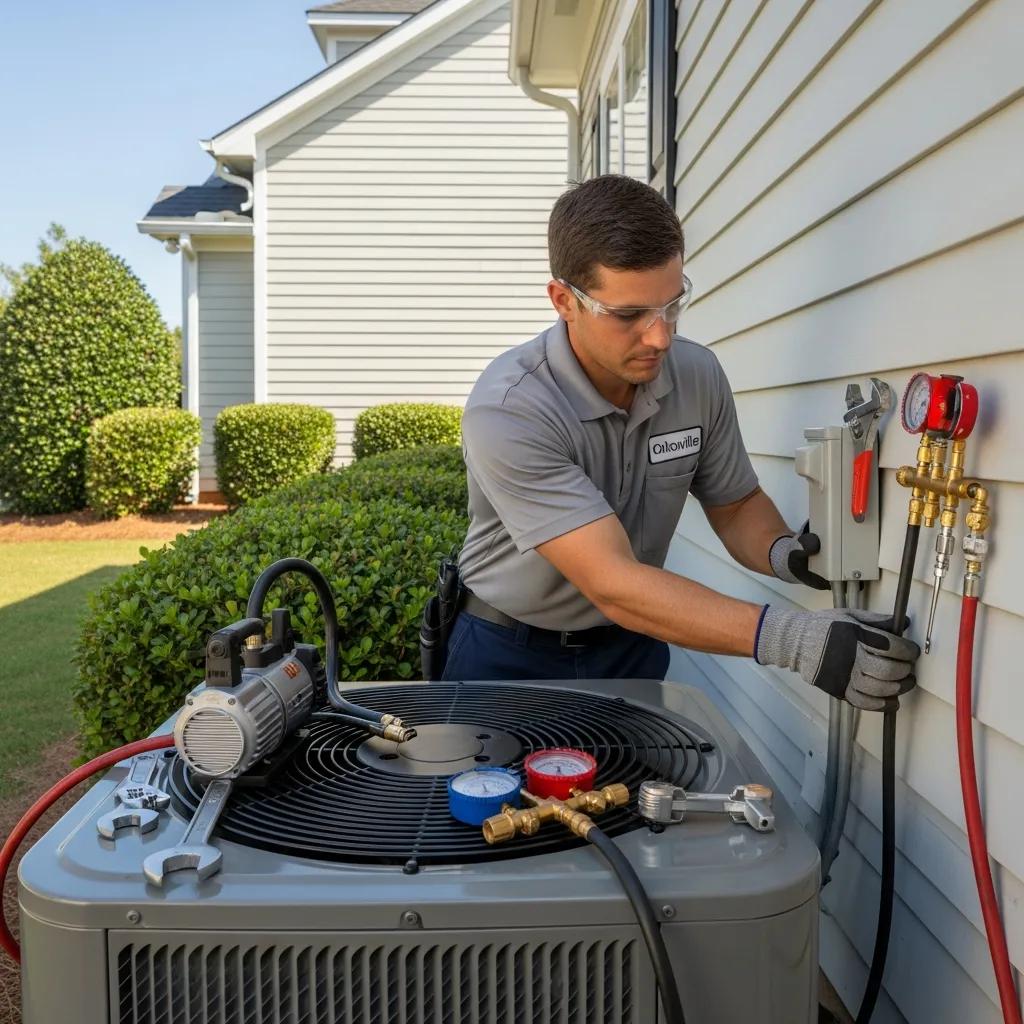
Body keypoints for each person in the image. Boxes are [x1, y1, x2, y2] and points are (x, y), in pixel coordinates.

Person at [441, 175, 918, 712]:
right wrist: (797, 640)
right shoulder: (512, 408)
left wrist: (782, 553)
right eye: (628, 315)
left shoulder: (695, 375)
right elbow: (613, 581)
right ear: (563, 301)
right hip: (508, 651)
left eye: (672, 304)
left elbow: (734, 504)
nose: (660, 336)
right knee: (498, 800)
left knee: (636, 799)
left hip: (631, 647)